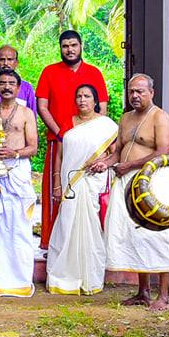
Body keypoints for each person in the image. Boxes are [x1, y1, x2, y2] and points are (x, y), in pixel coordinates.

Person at [98, 73, 169, 309]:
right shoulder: (125, 118)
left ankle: (163, 296)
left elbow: (163, 152)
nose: (135, 96)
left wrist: (129, 165)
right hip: (126, 181)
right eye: (132, 91)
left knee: (155, 236)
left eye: (140, 91)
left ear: (152, 92)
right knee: (134, 235)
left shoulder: (159, 117)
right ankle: (142, 291)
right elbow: (119, 151)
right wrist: (105, 163)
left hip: (151, 182)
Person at [33, 30, 107, 249]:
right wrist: (60, 133)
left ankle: (84, 244)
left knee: (87, 193)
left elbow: (102, 108)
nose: (70, 49)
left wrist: (89, 136)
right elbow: (42, 106)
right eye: (65, 46)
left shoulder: (94, 72)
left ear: (81, 45)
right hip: (58, 140)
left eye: (73, 45)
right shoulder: (49, 72)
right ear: (60, 48)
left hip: (88, 145)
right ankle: (51, 244)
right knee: (55, 192)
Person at [0, 68, 39, 297]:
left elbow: (33, 147)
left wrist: (15, 153)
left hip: (17, 171)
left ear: (19, 87)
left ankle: (20, 279)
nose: (7, 87)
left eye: (11, 83)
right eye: (2, 83)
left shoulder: (27, 113)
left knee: (19, 226)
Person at [47, 83, 117, 295]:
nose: (82, 100)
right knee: (66, 223)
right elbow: (59, 154)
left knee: (90, 227)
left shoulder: (106, 125)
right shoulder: (68, 123)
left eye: (87, 96)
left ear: (95, 101)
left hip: (91, 180)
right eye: (79, 96)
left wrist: (103, 162)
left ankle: (89, 277)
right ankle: (64, 276)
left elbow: (116, 152)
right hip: (70, 182)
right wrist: (57, 182)